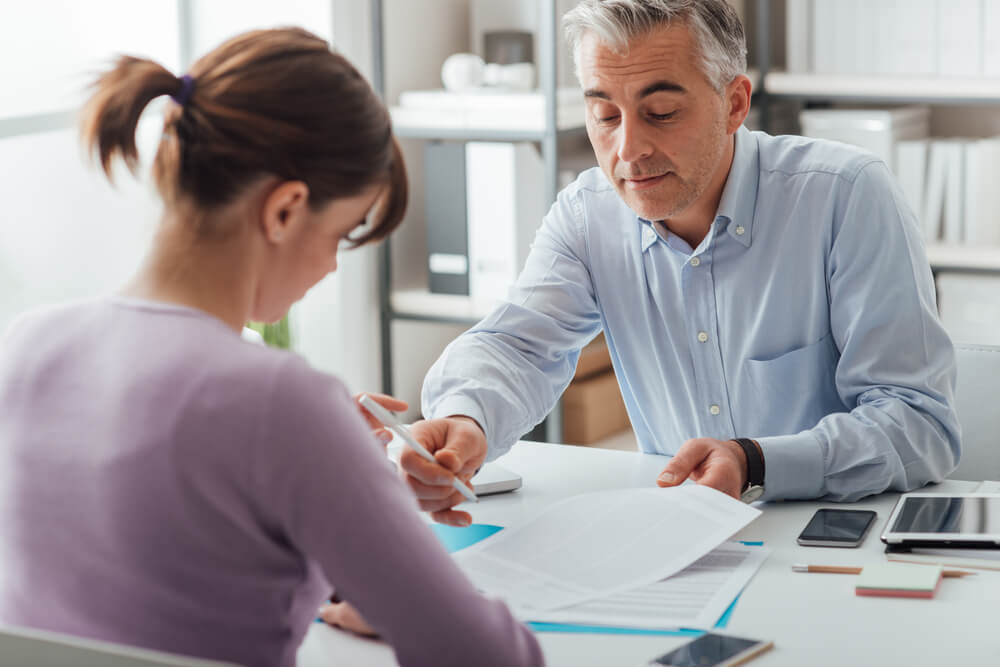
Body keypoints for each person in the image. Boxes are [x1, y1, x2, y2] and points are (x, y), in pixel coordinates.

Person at [0, 28, 542, 667]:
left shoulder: (23, 345)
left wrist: (360, 491)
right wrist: (342, 470)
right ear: (284, 211)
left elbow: (155, 564)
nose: (332, 269)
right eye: (340, 235)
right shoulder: (279, 402)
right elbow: (487, 657)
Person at [403, 0, 960, 527]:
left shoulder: (845, 194)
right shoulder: (587, 213)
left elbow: (918, 423)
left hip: (831, 535)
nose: (627, 150)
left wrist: (756, 462)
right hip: (677, 537)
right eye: (604, 115)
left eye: (661, 112)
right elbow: (515, 346)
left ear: (735, 104)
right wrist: (464, 420)